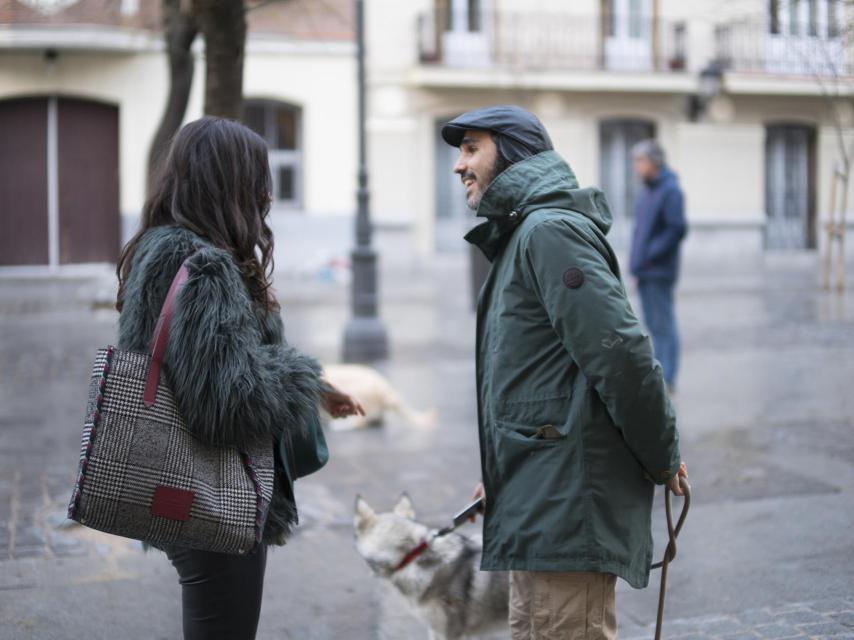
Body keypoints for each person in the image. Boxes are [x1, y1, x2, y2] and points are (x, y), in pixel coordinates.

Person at [441, 105, 688, 640]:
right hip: (538, 500)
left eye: (470, 149)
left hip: (568, 508)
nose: (458, 166)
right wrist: (502, 479)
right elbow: (533, 382)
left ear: (510, 153)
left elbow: (620, 354)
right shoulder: (523, 234)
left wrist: (662, 454)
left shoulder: (548, 232)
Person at [114, 117, 363, 640]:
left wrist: (314, 388)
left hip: (180, 480)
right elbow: (228, 402)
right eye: (257, 179)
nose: (268, 194)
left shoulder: (162, 248)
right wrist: (301, 378)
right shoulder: (204, 265)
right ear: (227, 184)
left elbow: (206, 363)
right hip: (213, 492)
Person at [629, 139, 687, 392]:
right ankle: (660, 373)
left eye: (639, 161)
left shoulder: (670, 190)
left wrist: (650, 255)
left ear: (654, 162)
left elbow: (677, 229)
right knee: (652, 325)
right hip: (645, 269)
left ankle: (668, 377)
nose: (636, 167)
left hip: (658, 270)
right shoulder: (649, 189)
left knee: (663, 325)